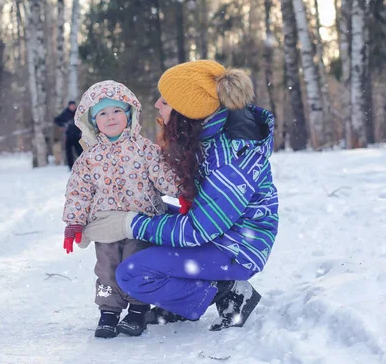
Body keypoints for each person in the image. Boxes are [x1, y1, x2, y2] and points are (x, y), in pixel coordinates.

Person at [82, 60, 279, 331]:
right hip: (221, 232)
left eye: (165, 101)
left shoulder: (230, 159)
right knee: (153, 213)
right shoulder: (209, 136)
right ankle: (187, 294)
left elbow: (196, 230)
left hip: (236, 248)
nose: (157, 105)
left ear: (187, 110)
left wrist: (129, 222)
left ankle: (226, 291)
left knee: (132, 274)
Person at [61, 80, 180, 339]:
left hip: (141, 223)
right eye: (102, 113)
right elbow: (78, 191)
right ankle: (108, 312)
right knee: (106, 269)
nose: (110, 117)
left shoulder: (145, 149)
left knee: (136, 266)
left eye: (116, 111)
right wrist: (74, 223)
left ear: (129, 114)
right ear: (93, 122)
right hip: (105, 226)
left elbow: (163, 177)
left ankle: (138, 311)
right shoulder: (89, 158)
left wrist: (183, 190)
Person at [54, 100, 83, 169]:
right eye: (71, 106)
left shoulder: (78, 112)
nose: (72, 107)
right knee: (69, 153)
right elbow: (56, 120)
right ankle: (71, 166)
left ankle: (82, 164)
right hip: (68, 136)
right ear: (69, 106)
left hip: (77, 136)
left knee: (80, 152)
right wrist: (63, 125)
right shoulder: (65, 113)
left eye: (73, 105)